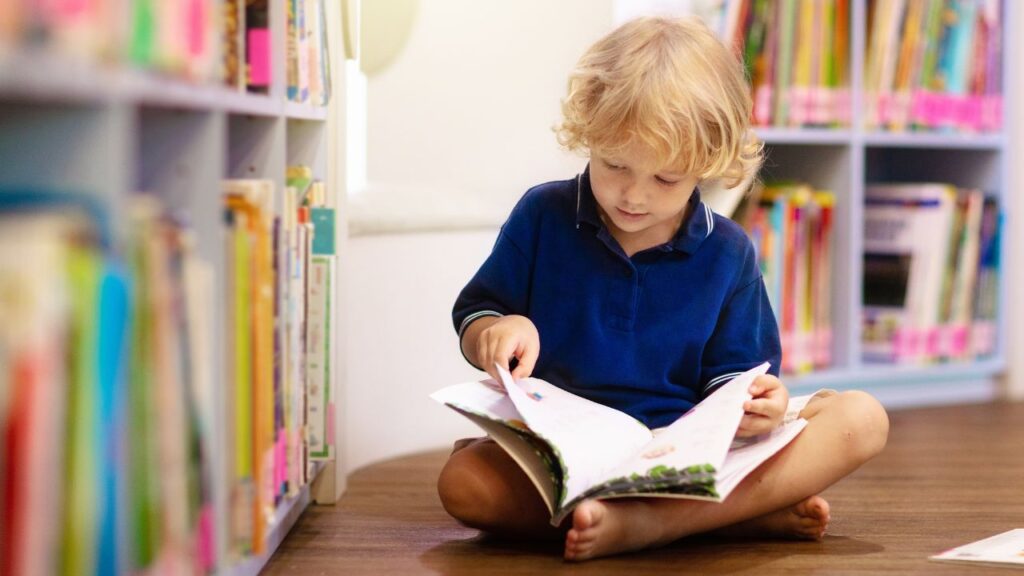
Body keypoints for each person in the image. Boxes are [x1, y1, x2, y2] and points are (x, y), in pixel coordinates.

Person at [438, 15, 889, 562]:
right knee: (463, 484)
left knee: (862, 418)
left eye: (666, 179)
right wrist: (496, 330)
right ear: (589, 134)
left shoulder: (729, 252)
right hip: (565, 452)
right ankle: (722, 519)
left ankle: (653, 521)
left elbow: (738, 384)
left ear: (708, 163)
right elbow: (478, 314)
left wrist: (759, 406)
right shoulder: (543, 215)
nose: (632, 194)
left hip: (684, 455)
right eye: (615, 165)